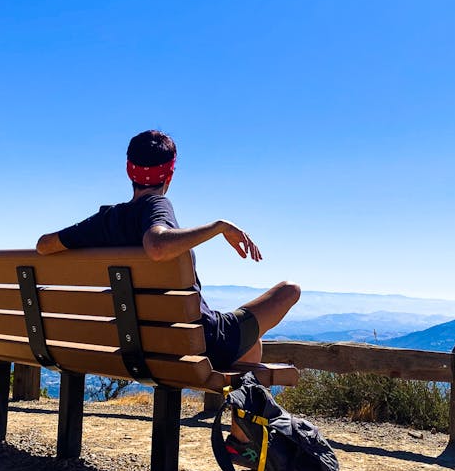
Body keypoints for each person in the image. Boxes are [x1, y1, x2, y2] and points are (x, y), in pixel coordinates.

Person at [36, 128, 301, 374]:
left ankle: (243, 418)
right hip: (199, 343)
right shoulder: (157, 206)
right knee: (290, 290)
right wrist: (218, 227)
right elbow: (157, 246)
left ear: (130, 171)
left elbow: (44, 245)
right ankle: (245, 420)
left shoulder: (106, 220)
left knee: (248, 338)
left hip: (138, 343)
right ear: (169, 175)